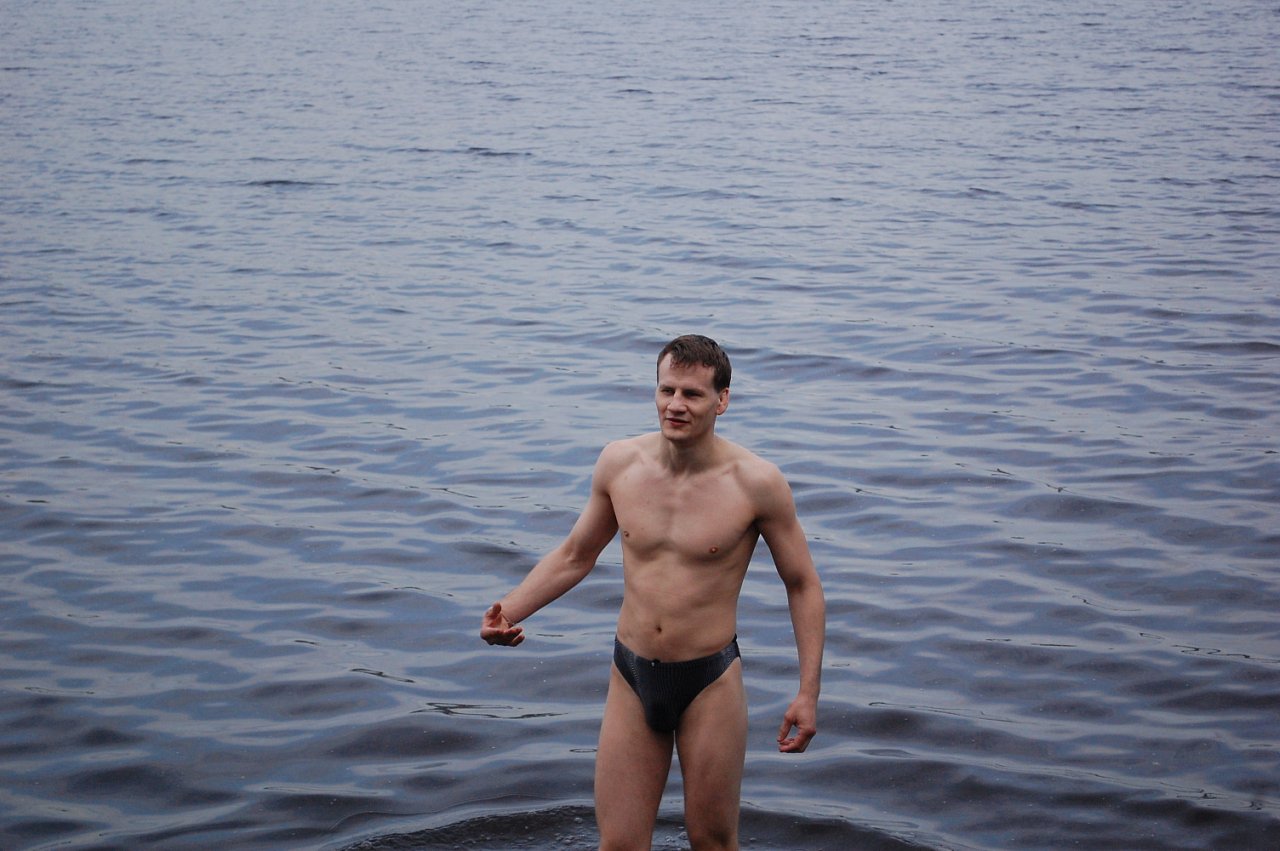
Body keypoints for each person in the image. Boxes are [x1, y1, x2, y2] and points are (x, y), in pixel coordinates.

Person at [481, 334, 825, 851]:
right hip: (632, 673)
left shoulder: (757, 483)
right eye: (667, 390)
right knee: (618, 845)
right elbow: (575, 555)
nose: (676, 405)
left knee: (712, 842)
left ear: (722, 400)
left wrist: (807, 692)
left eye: (692, 394)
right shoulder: (620, 463)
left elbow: (802, 584)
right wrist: (508, 611)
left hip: (709, 680)